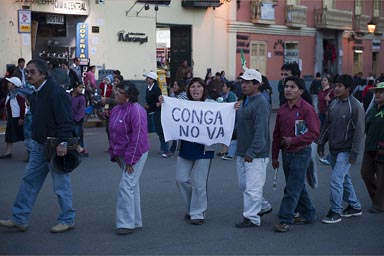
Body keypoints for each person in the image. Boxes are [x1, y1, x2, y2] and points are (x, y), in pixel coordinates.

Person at [0, 59, 76, 233]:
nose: (28, 75)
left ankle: (67, 219)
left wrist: (62, 143)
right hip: (38, 145)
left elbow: (66, 121)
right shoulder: (36, 92)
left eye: (32, 72)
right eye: (27, 71)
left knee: (60, 185)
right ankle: (20, 218)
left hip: (54, 145)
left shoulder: (56, 93)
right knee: (29, 181)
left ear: (43, 74)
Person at [160, 77, 215, 225]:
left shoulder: (212, 105)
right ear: (188, 90)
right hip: (186, 148)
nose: (195, 89)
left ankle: (197, 213)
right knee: (181, 179)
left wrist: (232, 108)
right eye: (192, 87)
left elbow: (222, 115)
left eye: (198, 86)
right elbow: (170, 108)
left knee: (199, 183)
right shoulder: (182, 104)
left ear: (204, 89)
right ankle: (193, 206)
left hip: (204, 150)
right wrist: (164, 102)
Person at [272, 76, 320, 232]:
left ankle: (286, 219)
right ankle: (309, 213)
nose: (288, 89)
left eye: (292, 87)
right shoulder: (282, 110)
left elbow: (314, 133)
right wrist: (274, 156)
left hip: (301, 152)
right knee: (297, 185)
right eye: (286, 86)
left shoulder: (307, 109)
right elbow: (276, 135)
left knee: (292, 187)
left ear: (300, 91)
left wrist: (294, 140)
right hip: (286, 154)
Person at [318, 74, 365, 224]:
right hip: (334, 149)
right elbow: (327, 125)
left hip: (346, 151)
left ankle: (335, 211)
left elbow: (359, 132)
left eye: (339, 86)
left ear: (348, 89)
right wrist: (321, 143)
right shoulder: (333, 103)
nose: (335, 88)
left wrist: (354, 154)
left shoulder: (356, 106)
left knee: (336, 179)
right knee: (344, 179)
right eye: (335, 85)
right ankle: (355, 206)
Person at [108, 81, 149, 235]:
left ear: (128, 95)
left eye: (120, 91)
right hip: (124, 154)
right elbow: (112, 133)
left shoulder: (136, 111)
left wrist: (131, 159)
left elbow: (138, 137)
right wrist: (114, 154)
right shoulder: (116, 109)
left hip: (136, 153)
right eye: (116, 91)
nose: (116, 93)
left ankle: (125, 223)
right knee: (132, 185)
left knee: (126, 186)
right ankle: (135, 220)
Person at [234, 69, 272, 228]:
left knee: (252, 188)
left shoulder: (261, 103)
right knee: (244, 186)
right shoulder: (246, 100)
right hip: (242, 152)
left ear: (257, 85)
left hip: (255, 154)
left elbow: (261, 132)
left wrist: (252, 152)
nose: (244, 85)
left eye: (248, 82)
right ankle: (263, 206)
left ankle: (251, 218)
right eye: (243, 82)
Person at [360, 82, 384, 213]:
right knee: (366, 174)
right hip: (369, 147)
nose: (378, 94)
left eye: (381, 92)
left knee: (381, 179)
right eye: (376, 92)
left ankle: (379, 205)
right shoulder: (373, 108)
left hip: (382, 148)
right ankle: (378, 199)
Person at [144, 71, 169, 155]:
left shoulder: (156, 88)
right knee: (156, 130)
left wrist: (150, 106)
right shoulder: (148, 87)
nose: (146, 79)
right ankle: (163, 147)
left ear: (152, 79)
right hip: (151, 111)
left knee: (160, 131)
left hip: (156, 112)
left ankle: (165, 148)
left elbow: (158, 102)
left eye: (148, 78)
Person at [0, 77, 25, 159]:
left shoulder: (19, 95)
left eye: (10, 83)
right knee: (9, 135)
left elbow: (22, 107)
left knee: (25, 136)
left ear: (14, 85)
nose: (8, 84)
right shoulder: (10, 94)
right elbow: (4, 103)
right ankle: (8, 152)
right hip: (11, 118)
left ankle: (31, 153)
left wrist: (21, 118)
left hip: (17, 118)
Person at [317, 75, 335, 165]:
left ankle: (328, 153)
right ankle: (321, 150)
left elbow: (336, 102)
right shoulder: (320, 91)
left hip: (329, 114)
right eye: (322, 80)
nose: (323, 82)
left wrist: (330, 100)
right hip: (321, 114)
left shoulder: (331, 91)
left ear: (329, 82)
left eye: (325, 80)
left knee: (328, 133)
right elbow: (319, 103)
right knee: (321, 132)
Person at [71, 82, 87, 157]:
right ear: (74, 88)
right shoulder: (68, 96)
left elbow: (81, 110)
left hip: (77, 121)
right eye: (79, 87)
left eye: (82, 88)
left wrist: (77, 119)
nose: (81, 89)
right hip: (69, 119)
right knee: (71, 136)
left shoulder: (81, 98)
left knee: (78, 135)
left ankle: (82, 149)